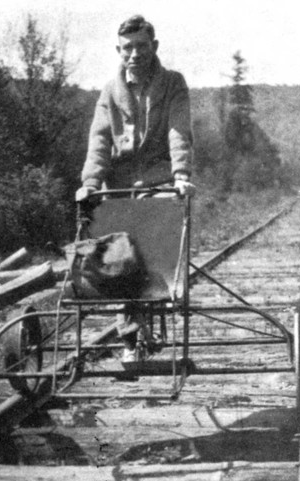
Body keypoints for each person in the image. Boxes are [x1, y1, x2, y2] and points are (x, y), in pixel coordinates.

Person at [75, 14, 194, 363]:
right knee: (118, 256)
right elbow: (98, 141)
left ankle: (156, 306)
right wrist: (90, 184)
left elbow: (179, 131)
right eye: (127, 47)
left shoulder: (173, 83)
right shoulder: (110, 91)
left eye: (141, 46)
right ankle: (130, 337)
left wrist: (181, 174)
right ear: (118, 50)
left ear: (153, 47)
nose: (134, 54)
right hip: (121, 186)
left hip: (159, 181)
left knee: (156, 232)